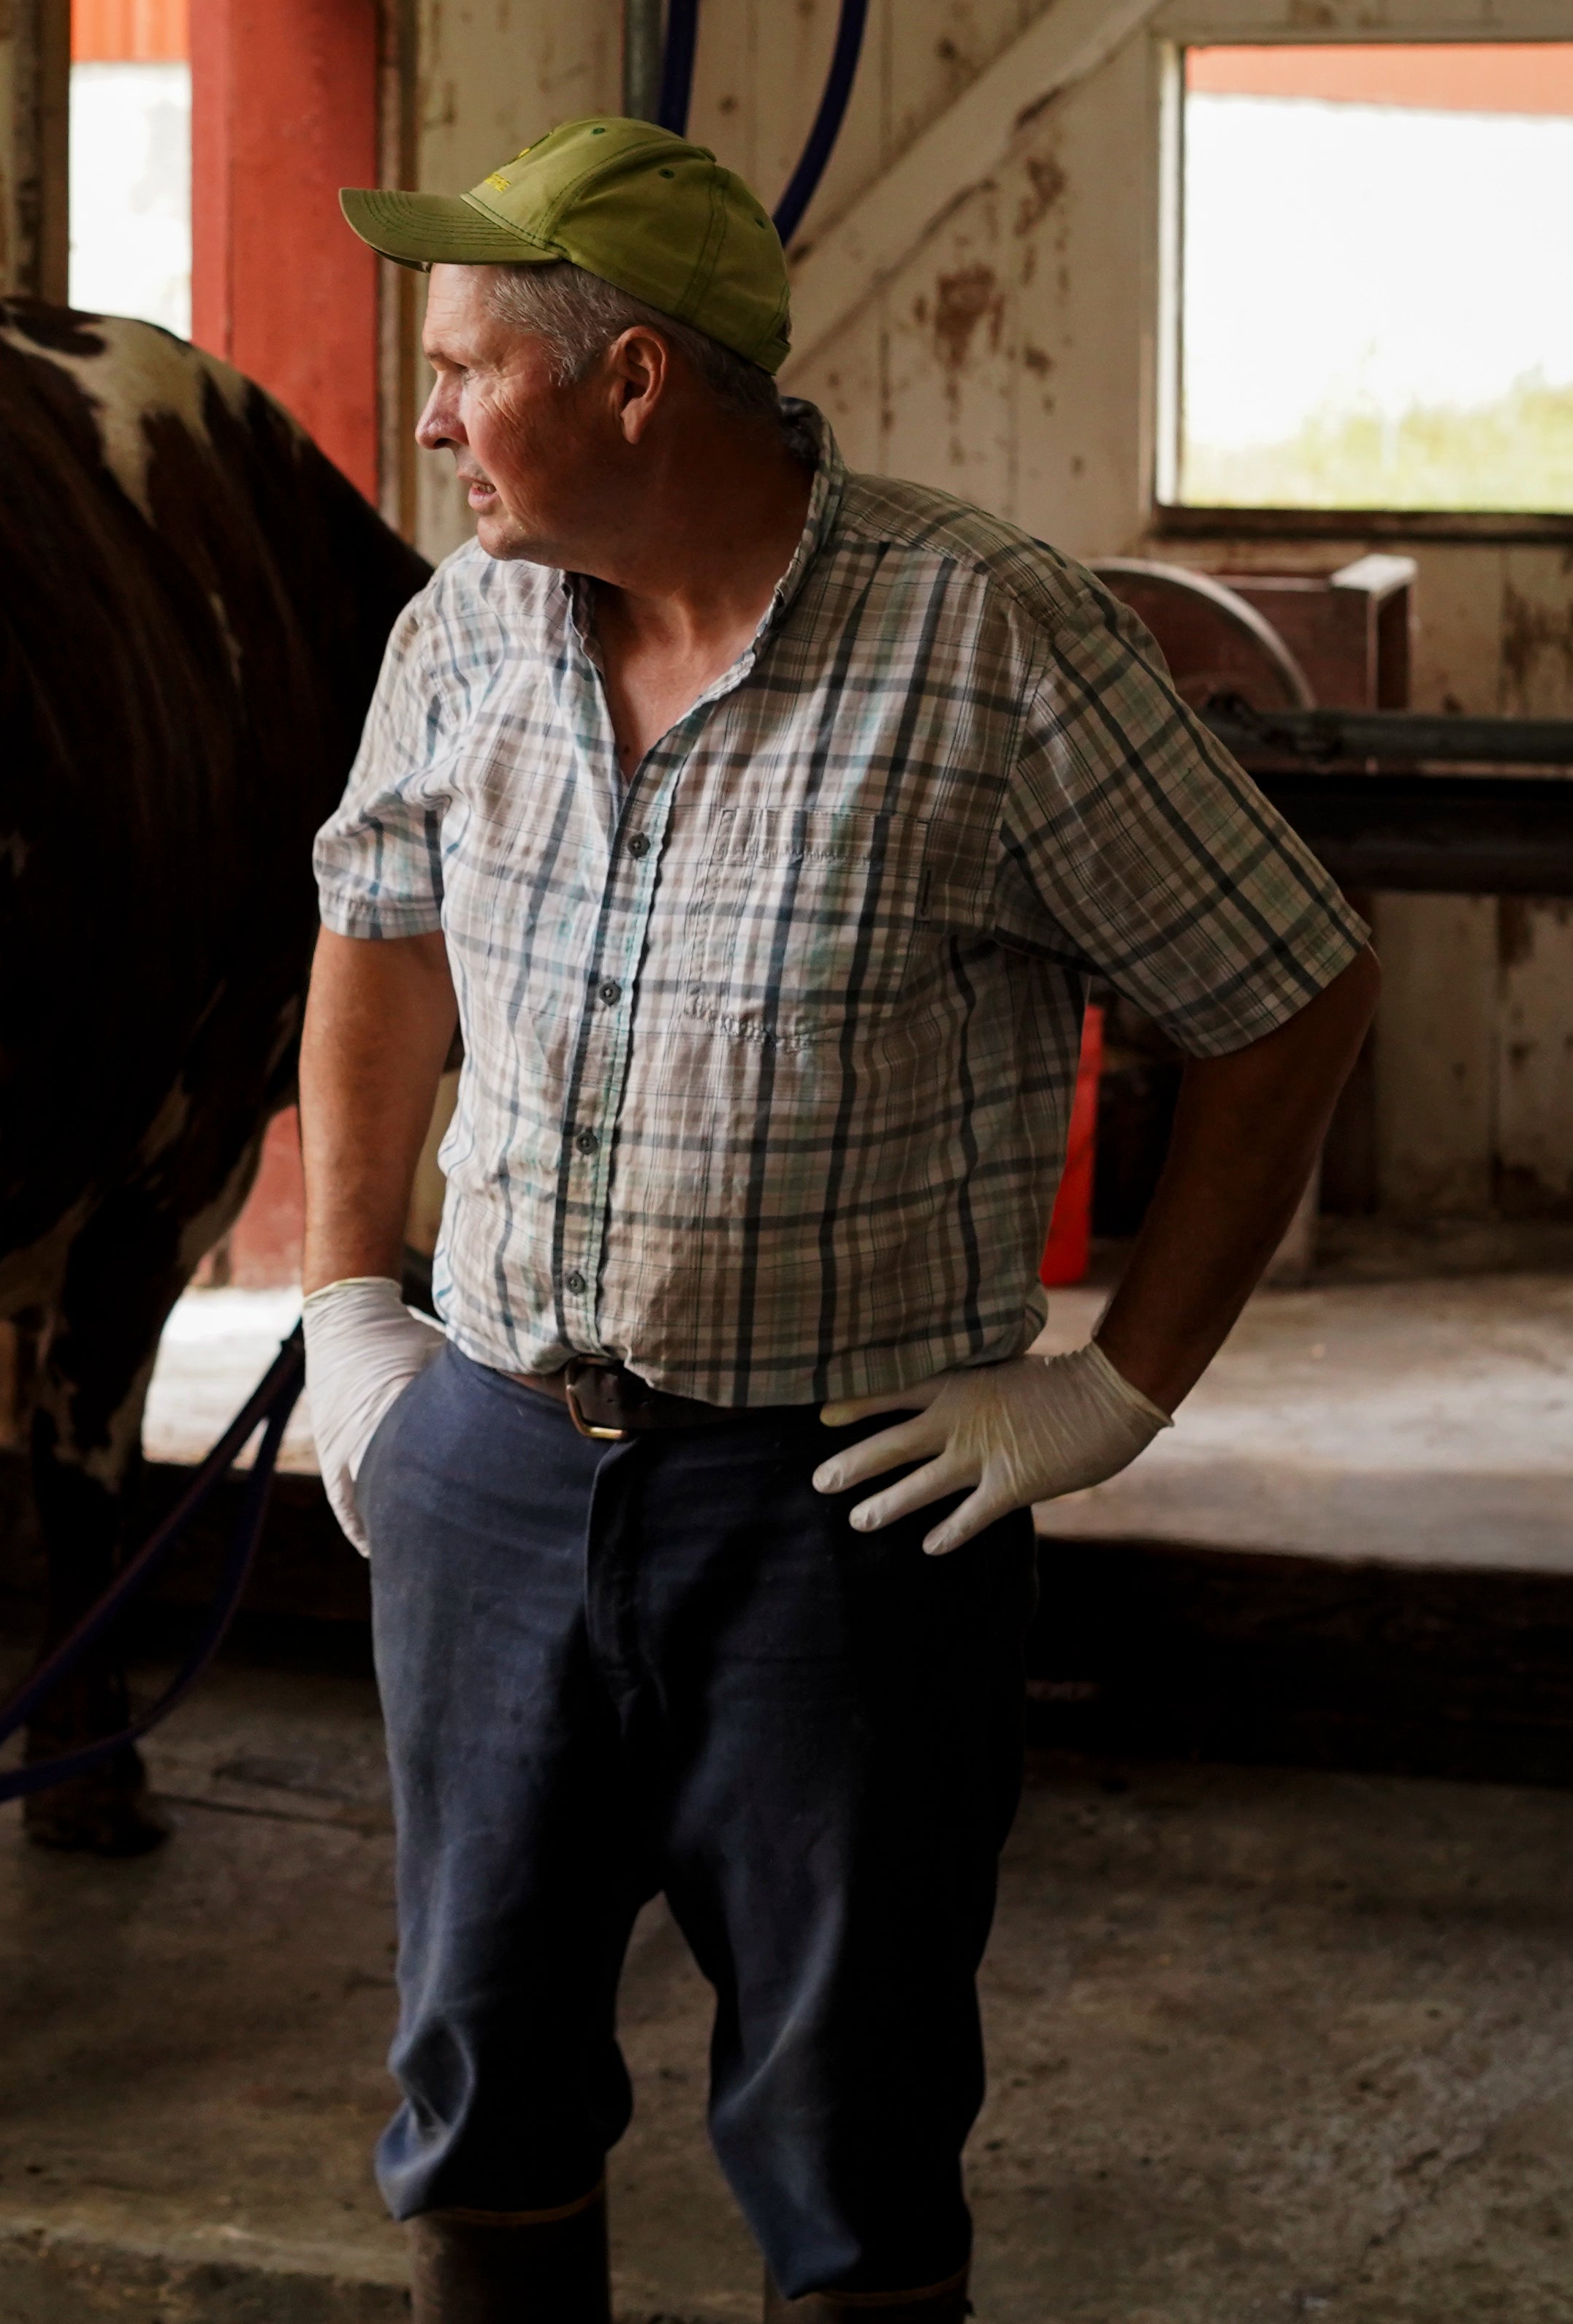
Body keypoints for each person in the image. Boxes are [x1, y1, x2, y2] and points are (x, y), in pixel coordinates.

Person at [300, 118, 1379, 2324]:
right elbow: (376, 924)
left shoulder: (984, 637)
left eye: (460, 367)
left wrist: (1114, 1389)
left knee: (844, 2125)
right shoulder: (468, 630)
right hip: (495, 1468)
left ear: (630, 384)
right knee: (475, 2077)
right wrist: (342, 1304)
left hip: (834, 1511)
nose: (423, 419)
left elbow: (1286, 992)